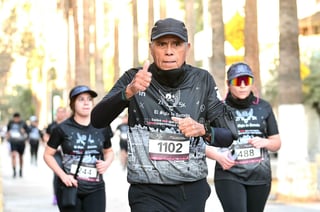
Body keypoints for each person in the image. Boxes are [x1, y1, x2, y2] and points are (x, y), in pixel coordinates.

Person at [91, 18, 237, 212]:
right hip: (146, 192)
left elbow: (229, 135)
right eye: (162, 44)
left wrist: (203, 129)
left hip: (190, 191)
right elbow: (97, 120)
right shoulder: (134, 78)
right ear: (151, 48)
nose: (169, 51)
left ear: (187, 47)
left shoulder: (203, 81)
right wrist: (128, 92)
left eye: (176, 44)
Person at [206, 62, 281, 212]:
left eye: (246, 81)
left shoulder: (264, 107)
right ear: (228, 84)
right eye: (237, 81)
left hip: (259, 176)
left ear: (252, 83)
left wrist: (265, 142)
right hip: (229, 174)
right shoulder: (217, 108)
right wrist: (218, 156)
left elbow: (276, 143)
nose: (242, 86)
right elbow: (200, 141)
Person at [43, 85, 114, 212]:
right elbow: (47, 155)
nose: (86, 103)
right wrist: (63, 176)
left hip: (96, 188)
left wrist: (106, 163)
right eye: (81, 99)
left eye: (89, 99)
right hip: (70, 187)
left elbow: (109, 151)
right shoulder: (62, 128)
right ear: (72, 104)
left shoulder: (102, 126)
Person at [45, 106, 68, 205]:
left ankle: (67, 195)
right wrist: (52, 144)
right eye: (59, 112)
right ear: (56, 114)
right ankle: (55, 195)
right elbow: (46, 136)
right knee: (57, 173)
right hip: (56, 153)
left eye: (63, 112)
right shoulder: (52, 126)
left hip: (67, 154)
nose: (61, 114)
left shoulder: (69, 125)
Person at [6, 112, 30, 178]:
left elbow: (28, 131)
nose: (16, 119)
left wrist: (24, 131)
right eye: (15, 118)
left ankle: (20, 170)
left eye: (17, 118)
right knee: (13, 155)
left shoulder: (23, 123)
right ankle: (14, 171)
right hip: (13, 142)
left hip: (21, 142)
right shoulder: (10, 123)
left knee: (20, 156)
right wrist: (7, 139)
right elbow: (8, 131)